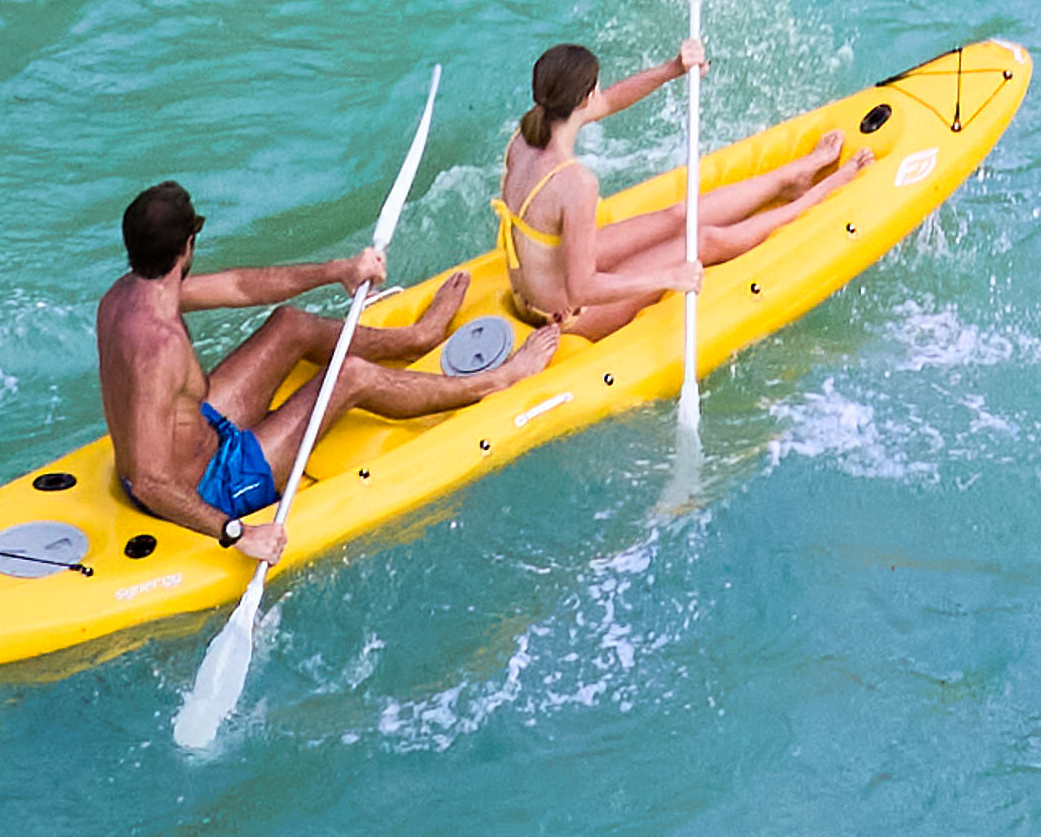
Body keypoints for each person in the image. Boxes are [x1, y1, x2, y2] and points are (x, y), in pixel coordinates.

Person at [98, 180, 553, 549]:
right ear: (188, 245)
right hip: (211, 488)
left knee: (290, 324)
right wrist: (237, 533)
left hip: (200, 436)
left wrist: (337, 270)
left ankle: (416, 338)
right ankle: (499, 379)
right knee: (349, 376)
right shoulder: (160, 347)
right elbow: (149, 481)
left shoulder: (124, 296)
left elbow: (239, 286)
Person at [495, 38, 849, 336]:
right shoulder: (575, 182)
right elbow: (582, 288)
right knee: (703, 241)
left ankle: (789, 178)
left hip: (546, 280)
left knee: (678, 216)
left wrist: (673, 69)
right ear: (585, 98)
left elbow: (612, 100)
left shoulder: (523, 139)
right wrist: (668, 277)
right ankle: (812, 198)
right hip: (567, 315)